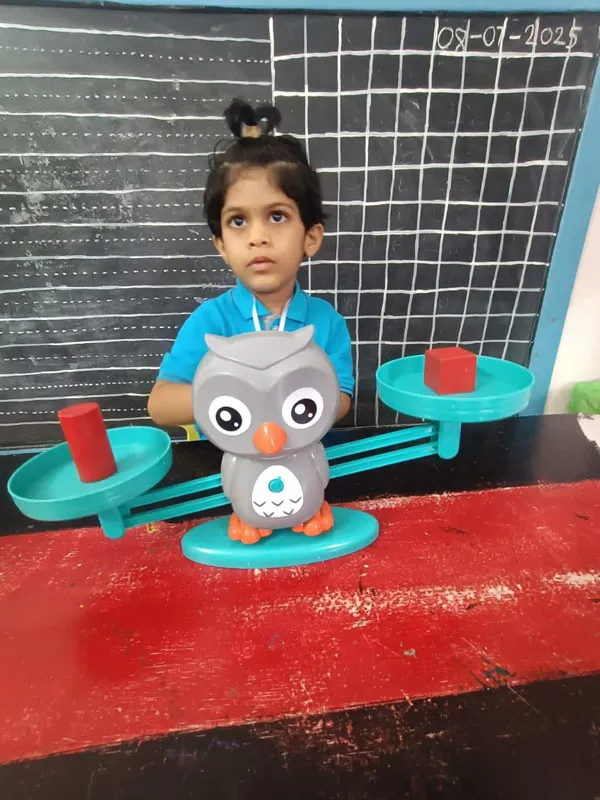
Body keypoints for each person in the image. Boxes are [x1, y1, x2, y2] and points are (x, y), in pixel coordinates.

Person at [147, 98, 354, 432]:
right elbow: (160, 405)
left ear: (311, 237)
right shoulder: (211, 322)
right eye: (238, 221)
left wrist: (279, 390)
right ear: (222, 245)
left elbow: (341, 401)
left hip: (304, 456)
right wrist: (238, 390)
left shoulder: (327, 323)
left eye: (277, 216)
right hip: (226, 459)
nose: (258, 237)